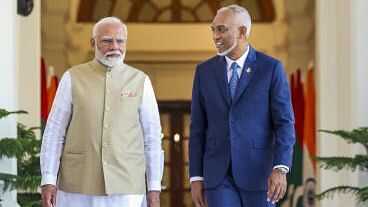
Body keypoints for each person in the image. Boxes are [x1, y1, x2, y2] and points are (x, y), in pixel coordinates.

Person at [40, 17, 163, 207]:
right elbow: (55, 131)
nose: (115, 46)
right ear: (93, 42)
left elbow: (152, 138)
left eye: (120, 41)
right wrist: (48, 179)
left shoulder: (141, 81)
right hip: (77, 183)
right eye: (107, 40)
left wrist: (154, 187)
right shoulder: (72, 78)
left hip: (127, 184)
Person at [189, 4, 295, 207]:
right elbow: (197, 128)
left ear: (242, 31)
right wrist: (196, 176)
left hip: (260, 173)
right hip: (218, 176)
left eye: (222, 29)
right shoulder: (204, 72)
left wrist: (280, 167)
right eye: (213, 29)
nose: (215, 35)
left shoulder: (270, 68)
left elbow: (284, 122)